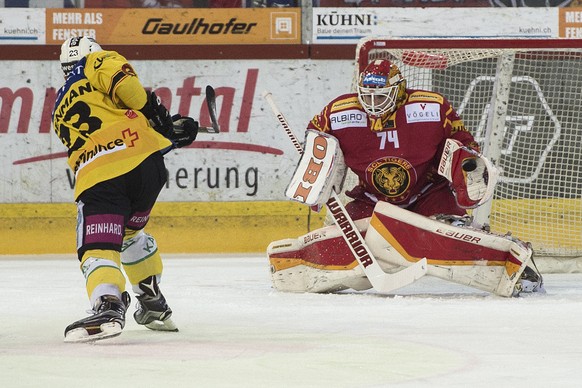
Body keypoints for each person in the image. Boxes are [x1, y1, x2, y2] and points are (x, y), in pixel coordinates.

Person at [268, 58, 544, 296]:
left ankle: (514, 261)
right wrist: (315, 167)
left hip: (428, 194)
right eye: (368, 95)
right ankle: (296, 264)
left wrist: (466, 163)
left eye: (381, 96)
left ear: (399, 91)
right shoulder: (338, 112)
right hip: (370, 200)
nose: (373, 103)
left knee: (449, 233)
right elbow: (317, 141)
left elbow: (462, 143)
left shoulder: (432, 107)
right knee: (347, 243)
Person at [53, 36, 198, 342]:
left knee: (98, 249)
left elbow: (105, 130)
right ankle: (152, 300)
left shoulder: (58, 109)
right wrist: (163, 123)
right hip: (147, 169)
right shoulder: (97, 61)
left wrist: (160, 122)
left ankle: (108, 303)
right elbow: (128, 92)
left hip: (100, 176)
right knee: (131, 235)